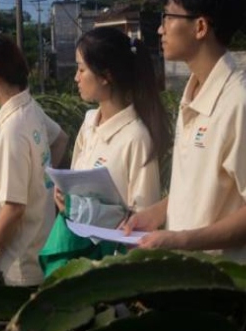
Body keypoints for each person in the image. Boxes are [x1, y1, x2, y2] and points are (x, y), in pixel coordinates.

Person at [124, 0, 246, 265]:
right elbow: (207, 190)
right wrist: (158, 213)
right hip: (196, 287)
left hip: (234, 293)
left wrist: (183, 240)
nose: (160, 30)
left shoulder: (242, 102)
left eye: (168, 18)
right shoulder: (193, 96)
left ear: (200, 26)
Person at [39, 27, 168, 276]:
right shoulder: (89, 123)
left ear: (105, 76)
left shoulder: (137, 137)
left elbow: (144, 217)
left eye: (81, 69)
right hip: (76, 253)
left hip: (111, 268)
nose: (76, 77)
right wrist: (65, 198)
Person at [0, 35, 68, 286]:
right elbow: (61, 138)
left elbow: (13, 209)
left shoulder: (11, 131)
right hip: (41, 242)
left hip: (19, 264)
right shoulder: (30, 109)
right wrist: (41, 178)